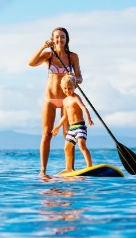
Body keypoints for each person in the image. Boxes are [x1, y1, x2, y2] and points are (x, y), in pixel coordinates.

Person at [28, 27, 83, 176]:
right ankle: (43, 171)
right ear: (52, 39)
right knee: (46, 133)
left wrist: (73, 78)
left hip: (67, 100)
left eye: (62, 37)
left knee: (69, 134)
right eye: (57, 37)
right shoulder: (48, 55)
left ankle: (70, 169)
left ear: (67, 39)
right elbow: (31, 63)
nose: (60, 40)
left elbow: (80, 78)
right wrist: (43, 47)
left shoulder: (73, 57)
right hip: (50, 99)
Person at [52, 74, 94, 173]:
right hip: (71, 129)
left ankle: (89, 166)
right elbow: (65, 117)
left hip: (80, 126)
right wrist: (57, 127)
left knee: (81, 145)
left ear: (75, 86)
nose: (67, 90)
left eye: (70, 88)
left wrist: (88, 118)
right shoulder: (65, 101)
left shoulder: (76, 98)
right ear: (62, 88)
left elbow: (83, 107)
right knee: (67, 148)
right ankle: (68, 168)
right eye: (65, 88)